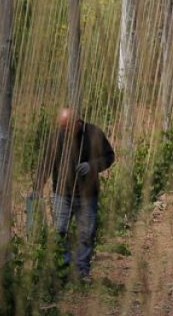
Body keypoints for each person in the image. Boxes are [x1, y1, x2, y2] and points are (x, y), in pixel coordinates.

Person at [30, 108, 115, 282]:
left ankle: (82, 271)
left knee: (86, 233)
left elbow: (109, 156)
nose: (65, 133)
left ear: (77, 123)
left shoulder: (94, 134)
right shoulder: (56, 137)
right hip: (62, 194)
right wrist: (37, 187)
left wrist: (92, 166)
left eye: (67, 129)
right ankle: (64, 269)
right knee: (60, 231)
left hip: (87, 194)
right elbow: (45, 162)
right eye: (62, 129)